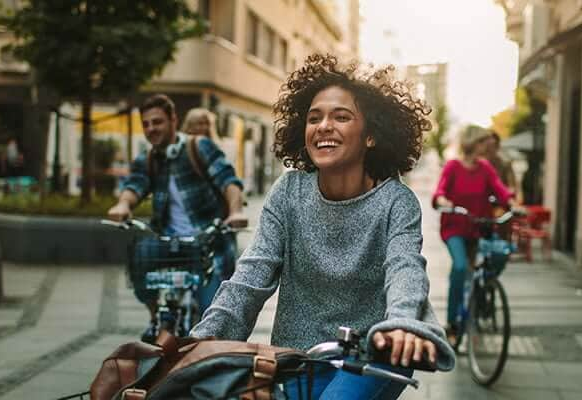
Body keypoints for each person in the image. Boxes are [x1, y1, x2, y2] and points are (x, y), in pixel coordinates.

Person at [189, 54, 455, 399]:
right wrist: (203, 341)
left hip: (375, 353)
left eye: (341, 117)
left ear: (371, 136)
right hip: (299, 357)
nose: (324, 126)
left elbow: (405, 269)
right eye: (314, 118)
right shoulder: (288, 192)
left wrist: (401, 324)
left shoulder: (396, 201)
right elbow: (251, 276)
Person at [107, 94, 246, 343]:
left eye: (157, 122)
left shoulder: (198, 147)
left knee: (209, 313)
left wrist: (235, 212)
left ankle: (207, 357)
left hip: (207, 242)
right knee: (140, 255)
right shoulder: (148, 159)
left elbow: (228, 181)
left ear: (173, 120)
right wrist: (122, 205)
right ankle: (155, 317)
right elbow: (135, 185)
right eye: (146, 124)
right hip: (170, 241)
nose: (151, 129)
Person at [431, 125, 516, 347]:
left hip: (478, 227)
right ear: (472, 143)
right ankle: (452, 324)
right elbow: (440, 191)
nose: (487, 145)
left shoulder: (485, 168)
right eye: (482, 142)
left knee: (498, 256)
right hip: (454, 228)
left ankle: (480, 297)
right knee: (459, 267)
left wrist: (513, 203)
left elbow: (500, 190)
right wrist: (442, 201)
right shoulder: (453, 166)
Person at [483, 131, 520, 202]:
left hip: (500, 204)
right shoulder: (477, 164)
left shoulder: (505, 163)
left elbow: (512, 186)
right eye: (488, 147)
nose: (490, 150)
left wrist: (509, 194)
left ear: (497, 147)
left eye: (493, 146)